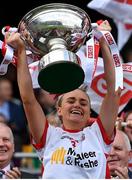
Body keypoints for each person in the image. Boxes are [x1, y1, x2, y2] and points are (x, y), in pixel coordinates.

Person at [5, 20, 121, 178]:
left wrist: (104, 41)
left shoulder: (99, 135)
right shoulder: (48, 136)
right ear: (59, 109)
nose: (77, 105)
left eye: (83, 103)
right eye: (71, 100)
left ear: (89, 112)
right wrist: (20, 51)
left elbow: (114, 92)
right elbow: (28, 99)